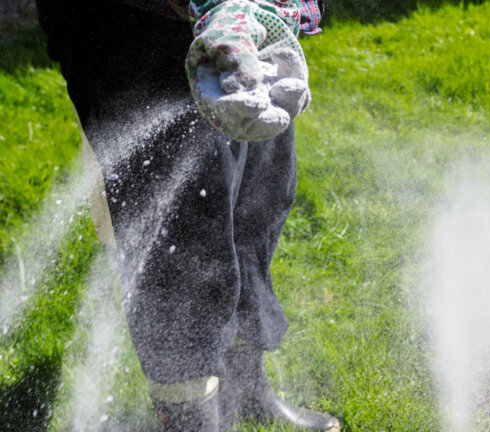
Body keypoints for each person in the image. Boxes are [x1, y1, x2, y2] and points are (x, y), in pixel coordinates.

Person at [35, 0, 339, 431]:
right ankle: (191, 420)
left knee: (257, 199)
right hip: (134, 23)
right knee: (179, 237)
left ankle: (246, 390)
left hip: (242, 16)